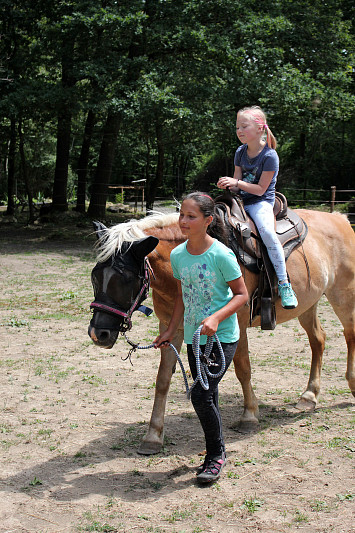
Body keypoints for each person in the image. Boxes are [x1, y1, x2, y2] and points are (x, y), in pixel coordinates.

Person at [154, 192, 248, 484]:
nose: (183, 221)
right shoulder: (179, 256)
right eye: (182, 214)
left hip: (223, 338)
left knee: (200, 394)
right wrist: (171, 330)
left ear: (208, 221)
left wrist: (217, 317)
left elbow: (242, 295)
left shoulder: (221, 254)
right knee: (209, 396)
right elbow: (182, 297)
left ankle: (216, 455)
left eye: (191, 216)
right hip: (196, 341)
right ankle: (214, 448)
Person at [217, 105, 298, 309]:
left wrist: (237, 184)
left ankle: (284, 283)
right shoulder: (240, 152)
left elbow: (261, 189)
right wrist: (228, 185)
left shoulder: (270, 156)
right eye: (237, 127)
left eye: (244, 126)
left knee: (268, 235)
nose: (239, 131)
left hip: (260, 203)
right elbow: (237, 181)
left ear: (260, 129)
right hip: (241, 201)